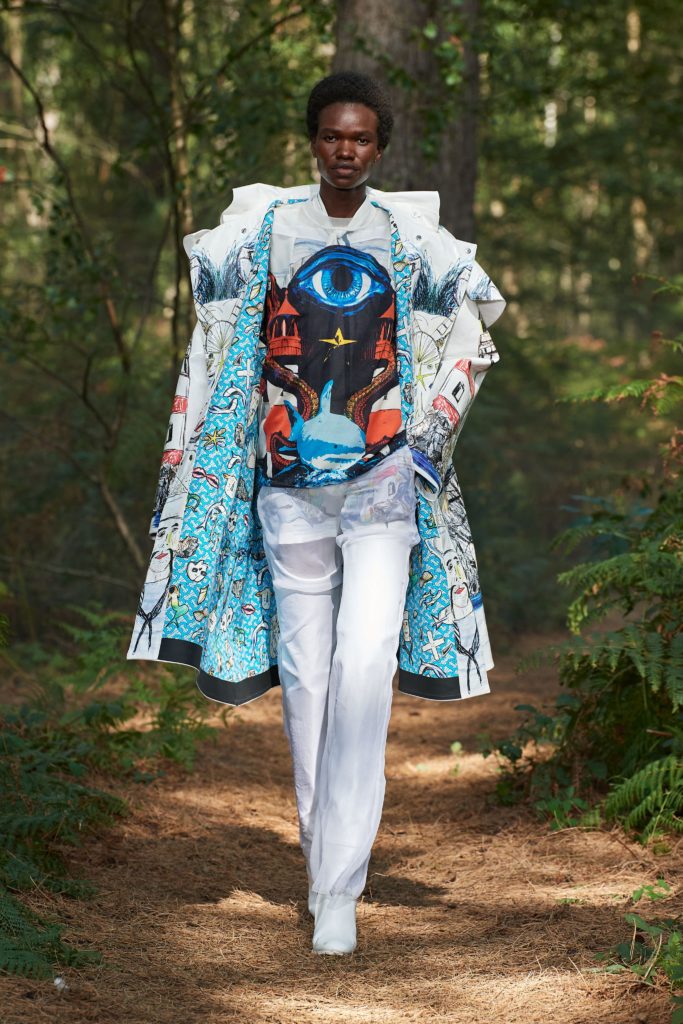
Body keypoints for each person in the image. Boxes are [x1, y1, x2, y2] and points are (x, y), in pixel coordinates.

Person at [127, 71, 506, 956]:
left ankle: (339, 888)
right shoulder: (262, 230)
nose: (346, 150)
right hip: (286, 487)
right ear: (313, 141)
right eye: (333, 136)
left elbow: (477, 321)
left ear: (379, 147)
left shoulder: (408, 236)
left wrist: (430, 434)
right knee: (306, 682)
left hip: (384, 484)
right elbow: (215, 341)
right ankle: (320, 867)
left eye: (361, 138)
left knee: (364, 665)